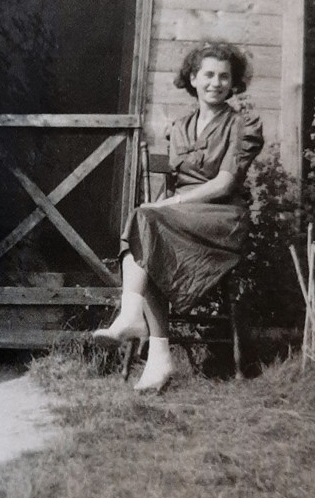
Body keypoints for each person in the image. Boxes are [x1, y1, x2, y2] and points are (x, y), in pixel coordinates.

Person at [93, 40, 264, 392]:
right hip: (183, 217)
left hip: (221, 219)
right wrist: (168, 207)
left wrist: (170, 205)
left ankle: (134, 323)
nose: (216, 83)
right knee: (147, 233)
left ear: (234, 84)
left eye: (224, 77)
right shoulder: (180, 127)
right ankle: (156, 355)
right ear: (192, 78)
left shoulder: (241, 125)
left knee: (148, 223)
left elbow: (224, 183)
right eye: (208, 75)